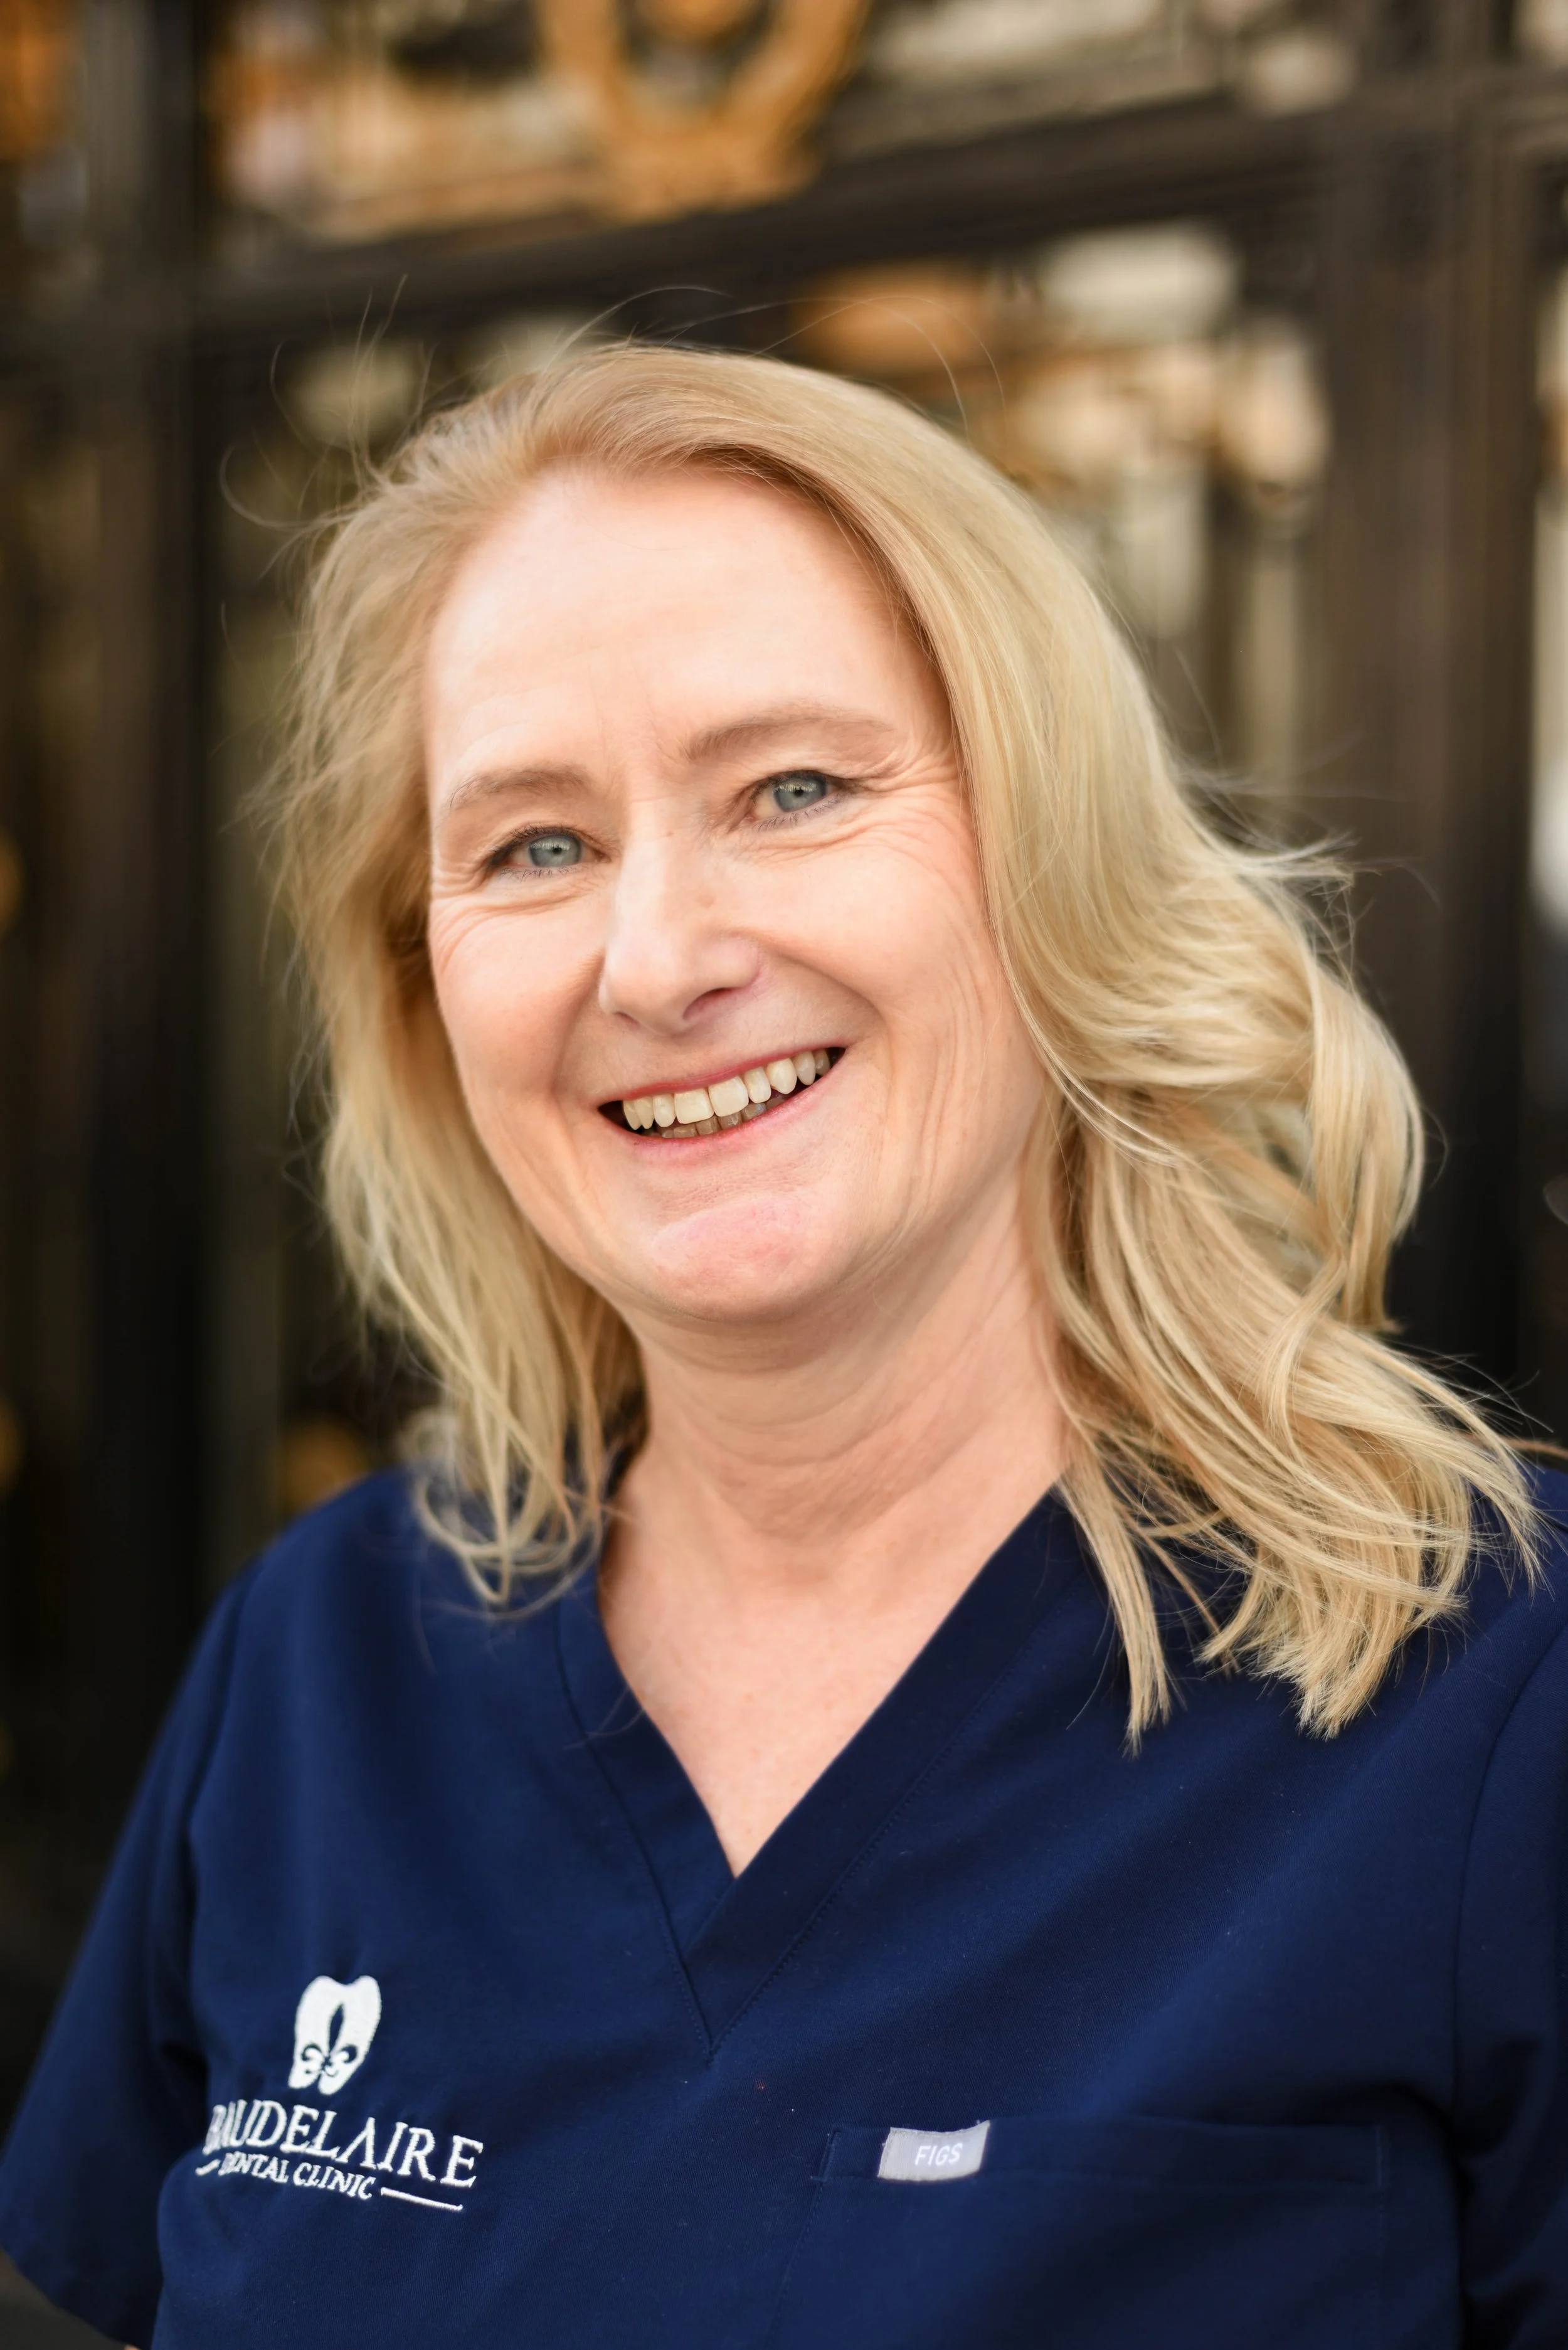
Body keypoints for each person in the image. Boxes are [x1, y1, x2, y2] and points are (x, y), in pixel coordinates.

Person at [0, 343, 1563, 2350]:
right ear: (420, 984)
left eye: (794, 789)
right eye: (535, 845)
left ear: (1052, 856)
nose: (658, 961)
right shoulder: (323, 1662)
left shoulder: (1490, 1692)